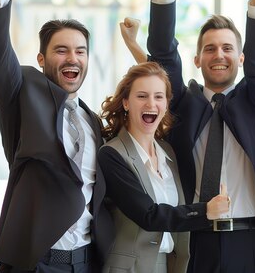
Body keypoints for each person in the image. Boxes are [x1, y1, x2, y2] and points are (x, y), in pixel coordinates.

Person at [124, 0, 255, 273]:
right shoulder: (181, 102)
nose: (218, 55)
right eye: (209, 48)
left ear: (241, 59)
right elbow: (164, 52)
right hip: (194, 239)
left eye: (227, 48)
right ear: (197, 59)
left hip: (250, 241)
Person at [0, 0, 114, 272]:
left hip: (86, 261)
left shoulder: (91, 120)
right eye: (61, 50)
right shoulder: (23, 92)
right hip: (36, 262)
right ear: (42, 59)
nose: (73, 58)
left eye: (80, 51)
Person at [97, 56, 230, 273]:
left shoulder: (167, 152)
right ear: (126, 103)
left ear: (166, 104)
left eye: (159, 96)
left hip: (168, 265)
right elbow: (148, 215)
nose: (151, 103)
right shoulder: (112, 154)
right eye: (142, 96)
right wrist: (205, 210)